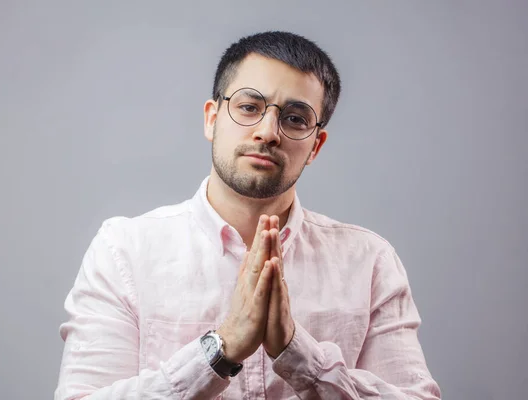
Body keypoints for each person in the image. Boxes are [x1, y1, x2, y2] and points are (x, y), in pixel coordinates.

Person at [54, 31, 441, 400]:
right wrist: (217, 353)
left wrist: (298, 352)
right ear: (212, 118)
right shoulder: (125, 251)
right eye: (249, 107)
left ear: (316, 145)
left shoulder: (369, 262)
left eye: (295, 118)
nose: (268, 132)